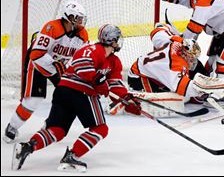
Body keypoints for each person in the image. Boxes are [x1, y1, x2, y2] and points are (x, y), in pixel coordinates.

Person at [11, 24, 142, 172]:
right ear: (111, 40)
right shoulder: (93, 49)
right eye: (117, 39)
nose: (119, 42)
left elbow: (115, 85)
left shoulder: (114, 62)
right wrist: (97, 80)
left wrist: (125, 99)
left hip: (64, 91)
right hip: (80, 92)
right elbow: (82, 65)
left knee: (57, 130)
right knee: (100, 128)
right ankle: (72, 156)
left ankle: (27, 147)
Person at [3, 0, 90, 143]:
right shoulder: (52, 28)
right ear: (69, 17)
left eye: (82, 19)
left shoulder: (82, 34)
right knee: (33, 101)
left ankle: (49, 125)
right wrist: (54, 65)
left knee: (69, 97)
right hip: (39, 64)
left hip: (59, 67)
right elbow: (36, 54)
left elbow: (81, 57)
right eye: (78, 18)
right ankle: (12, 127)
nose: (81, 22)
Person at [127, 35, 224, 108]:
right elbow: (183, 89)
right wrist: (203, 90)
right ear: (184, 53)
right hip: (139, 76)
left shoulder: (177, 42)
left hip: (151, 69)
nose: (193, 61)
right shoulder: (177, 64)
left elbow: (157, 33)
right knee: (178, 99)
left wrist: (164, 27)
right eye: (191, 58)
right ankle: (135, 95)